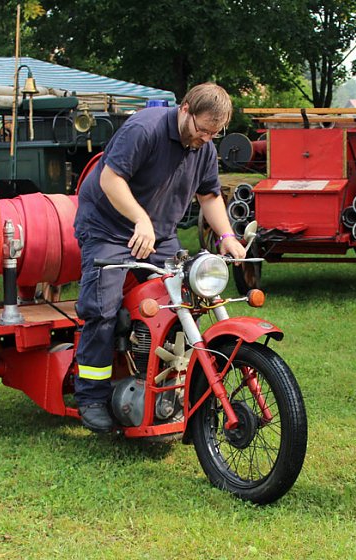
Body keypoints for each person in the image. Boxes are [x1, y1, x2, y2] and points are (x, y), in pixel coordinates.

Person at [72, 82, 246, 432]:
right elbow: (110, 179)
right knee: (102, 309)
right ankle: (91, 397)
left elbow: (209, 196)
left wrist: (227, 236)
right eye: (202, 130)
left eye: (214, 134)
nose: (205, 139)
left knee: (182, 303)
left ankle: (165, 387)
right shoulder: (144, 129)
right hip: (107, 228)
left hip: (158, 235)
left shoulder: (204, 148)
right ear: (185, 109)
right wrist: (140, 219)